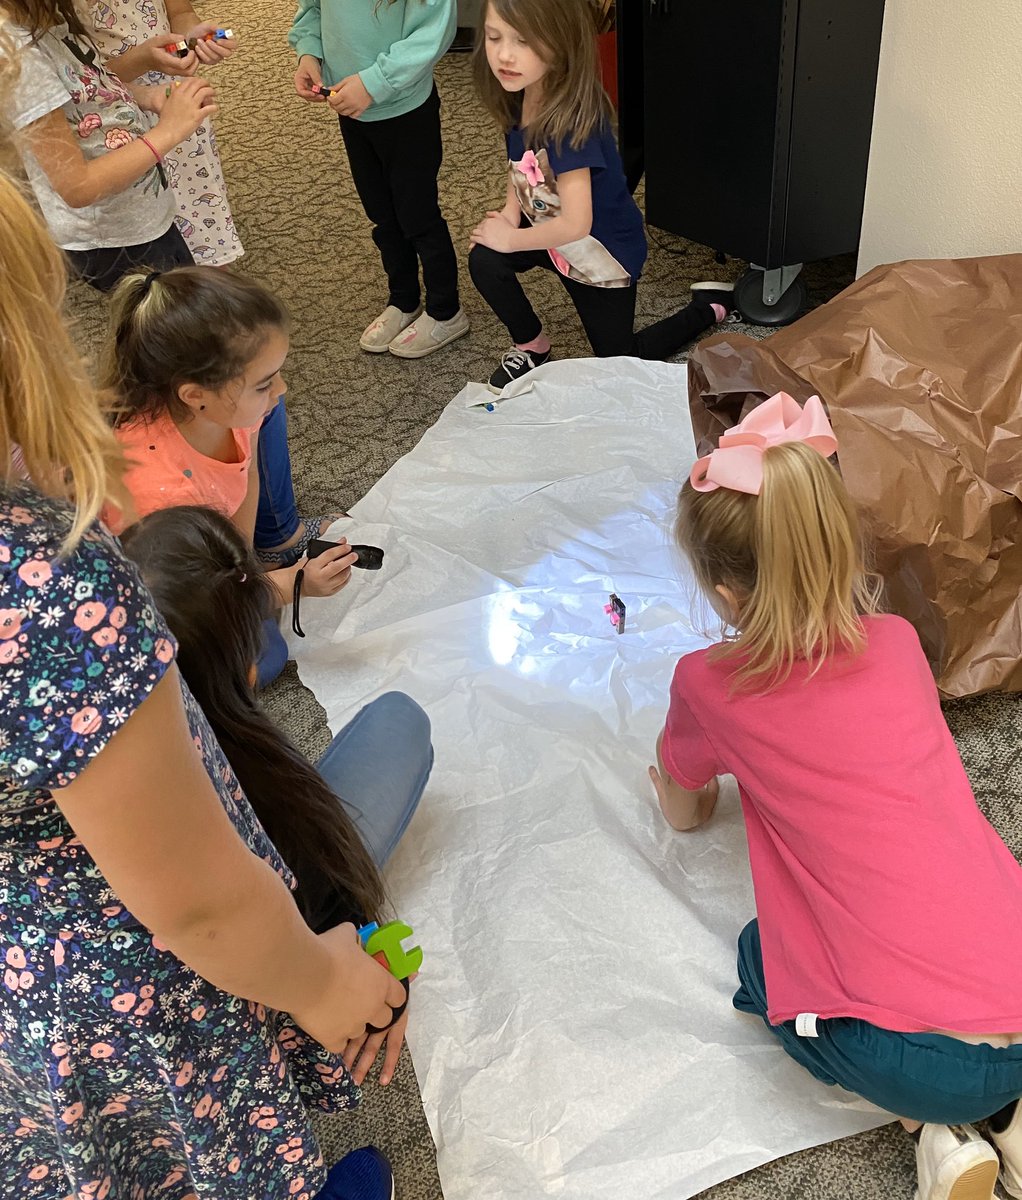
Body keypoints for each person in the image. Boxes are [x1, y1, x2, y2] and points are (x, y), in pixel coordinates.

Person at [0, 55, 401, 1200]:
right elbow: (198, 898)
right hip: (131, 972)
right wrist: (322, 982)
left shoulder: (108, 526)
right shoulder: (58, 578)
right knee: (194, 1142)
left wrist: (270, 576)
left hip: (62, 962)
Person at [651, 391, 1022, 1200]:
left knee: (763, 958)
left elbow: (685, 810)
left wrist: (675, 785)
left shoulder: (708, 684)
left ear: (723, 591)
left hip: (919, 1061)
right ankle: (1006, 1119)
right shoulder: (897, 645)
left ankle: (935, 1129)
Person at [119, 501, 433, 967]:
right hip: (286, 939)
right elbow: (318, 910)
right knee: (401, 718)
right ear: (248, 668)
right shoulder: (246, 774)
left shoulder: (83, 731)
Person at [100, 264, 351, 685]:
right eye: (264, 381)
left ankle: (270, 551)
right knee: (261, 661)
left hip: (200, 556)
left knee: (266, 412)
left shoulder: (225, 410)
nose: (282, 387)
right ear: (195, 396)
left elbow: (247, 473)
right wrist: (291, 584)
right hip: (159, 605)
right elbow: (191, 607)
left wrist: (245, 564)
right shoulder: (161, 499)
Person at [468, 0, 732, 393]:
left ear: (561, 44)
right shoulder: (519, 92)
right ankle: (531, 345)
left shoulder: (572, 124)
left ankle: (705, 308)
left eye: (523, 41)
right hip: (550, 232)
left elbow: (578, 224)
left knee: (619, 360)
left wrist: (513, 238)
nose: (504, 54)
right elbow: (519, 161)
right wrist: (510, 212)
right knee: (485, 260)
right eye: (493, 37)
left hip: (601, 253)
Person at [290, 0, 471, 359]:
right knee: (382, 213)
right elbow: (313, 9)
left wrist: (374, 82)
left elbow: (433, 32)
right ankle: (403, 300)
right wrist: (309, 52)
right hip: (353, 111)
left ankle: (446, 311)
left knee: (418, 215)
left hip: (405, 109)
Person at [1, 0, 217, 290]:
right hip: (116, 236)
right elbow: (78, 186)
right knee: (168, 325)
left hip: (139, 213)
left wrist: (146, 94)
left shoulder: (48, 18)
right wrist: (168, 131)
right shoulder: (23, 59)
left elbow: (86, 87)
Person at [82, 0, 244, 266]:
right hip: (112, 114)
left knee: (197, 200)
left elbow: (181, 11)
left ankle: (211, 265)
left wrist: (193, 37)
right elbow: (85, 79)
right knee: (151, 244)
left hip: (175, 101)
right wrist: (143, 59)